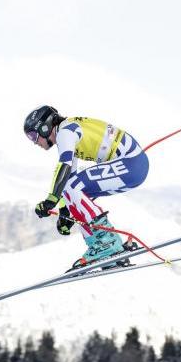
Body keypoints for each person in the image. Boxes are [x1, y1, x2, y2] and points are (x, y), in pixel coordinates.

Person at [23, 105, 149, 266]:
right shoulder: (66, 131)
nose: (35, 142)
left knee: (73, 187)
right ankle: (101, 250)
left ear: (45, 127)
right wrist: (65, 210)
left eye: (33, 136)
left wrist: (51, 199)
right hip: (133, 166)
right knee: (71, 188)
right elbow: (69, 178)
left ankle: (107, 243)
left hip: (131, 163)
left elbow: (65, 167)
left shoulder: (65, 133)